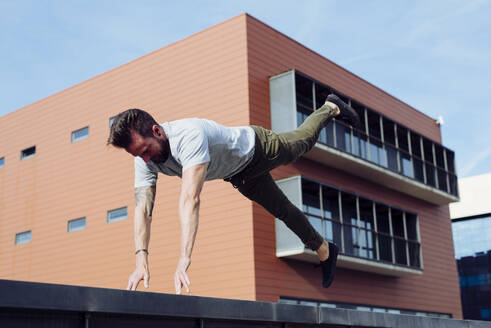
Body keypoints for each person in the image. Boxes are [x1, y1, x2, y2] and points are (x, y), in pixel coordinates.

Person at [107, 94, 360, 294]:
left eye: (145, 151)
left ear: (157, 131)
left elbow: (189, 199)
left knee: (301, 143)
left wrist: (184, 258)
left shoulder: (189, 136)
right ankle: (325, 249)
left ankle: (329, 106)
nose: (146, 159)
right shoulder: (143, 160)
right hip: (239, 174)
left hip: (258, 148)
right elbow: (143, 208)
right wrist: (141, 258)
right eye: (138, 155)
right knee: (282, 210)